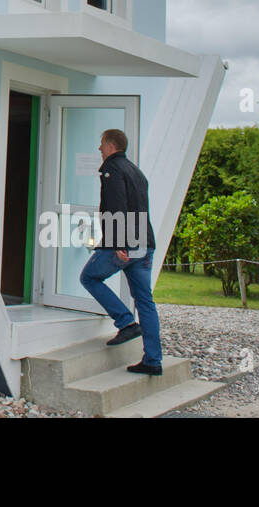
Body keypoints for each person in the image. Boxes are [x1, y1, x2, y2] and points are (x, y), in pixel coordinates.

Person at [78, 128, 162, 374]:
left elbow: (115, 206)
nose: (99, 148)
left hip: (126, 243)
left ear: (111, 145)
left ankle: (126, 322)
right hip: (145, 243)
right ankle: (153, 362)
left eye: (102, 144)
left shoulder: (111, 169)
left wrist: (118, 243)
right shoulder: (137, 171)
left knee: (89, 277)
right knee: (145, 301)